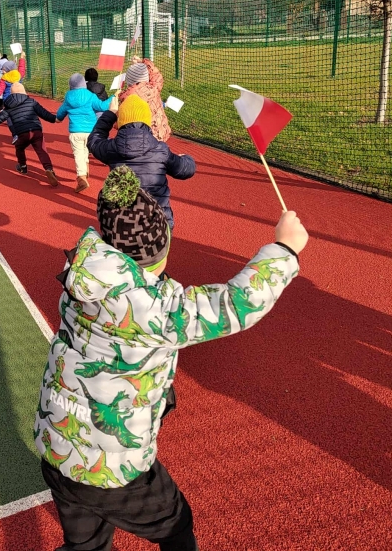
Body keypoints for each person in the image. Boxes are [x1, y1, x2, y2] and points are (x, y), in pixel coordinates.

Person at [34, 165, 308, 551]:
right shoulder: (155, 308)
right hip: (114, 469)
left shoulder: (82, 274)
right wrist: (285, 249)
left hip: (58, 446)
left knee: (87, 545)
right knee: (176, 524)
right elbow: (235, 303)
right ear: (155, 254)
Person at [87, 94, 194, 229]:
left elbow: (94, 141)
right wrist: (186, 159)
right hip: (158, 225)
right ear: (147, 121)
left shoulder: (112, 149)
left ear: (120, 122)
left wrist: (110, 114)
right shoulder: (161, 150)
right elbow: (185, 170)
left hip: (124, 226)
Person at [0, 83, 59, 186]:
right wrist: (54, 119)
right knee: (42, 150)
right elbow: (43, 113)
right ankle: (49, 169)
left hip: (22, 133)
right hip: (36, 130)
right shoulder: (31, 101)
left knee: (19, 148)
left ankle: (23, 166)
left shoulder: (8, 107)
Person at [56, 73, 115, 193]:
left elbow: (60, 113)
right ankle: (85, 169)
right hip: (90, 130)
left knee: (78, 153)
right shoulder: (90, 95)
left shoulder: (68, 97)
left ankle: (81, 176)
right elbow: (103, 106)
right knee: (85, 150)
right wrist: (114, 96)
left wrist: (58, 118)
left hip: (75, 131)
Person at [120, 56, 170, 142]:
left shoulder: (129, 97)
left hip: (143, 138)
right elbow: (156, 75)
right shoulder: (154, 87)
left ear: (129, 81)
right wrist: (142, 62)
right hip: (160, 133)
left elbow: (122, 121)